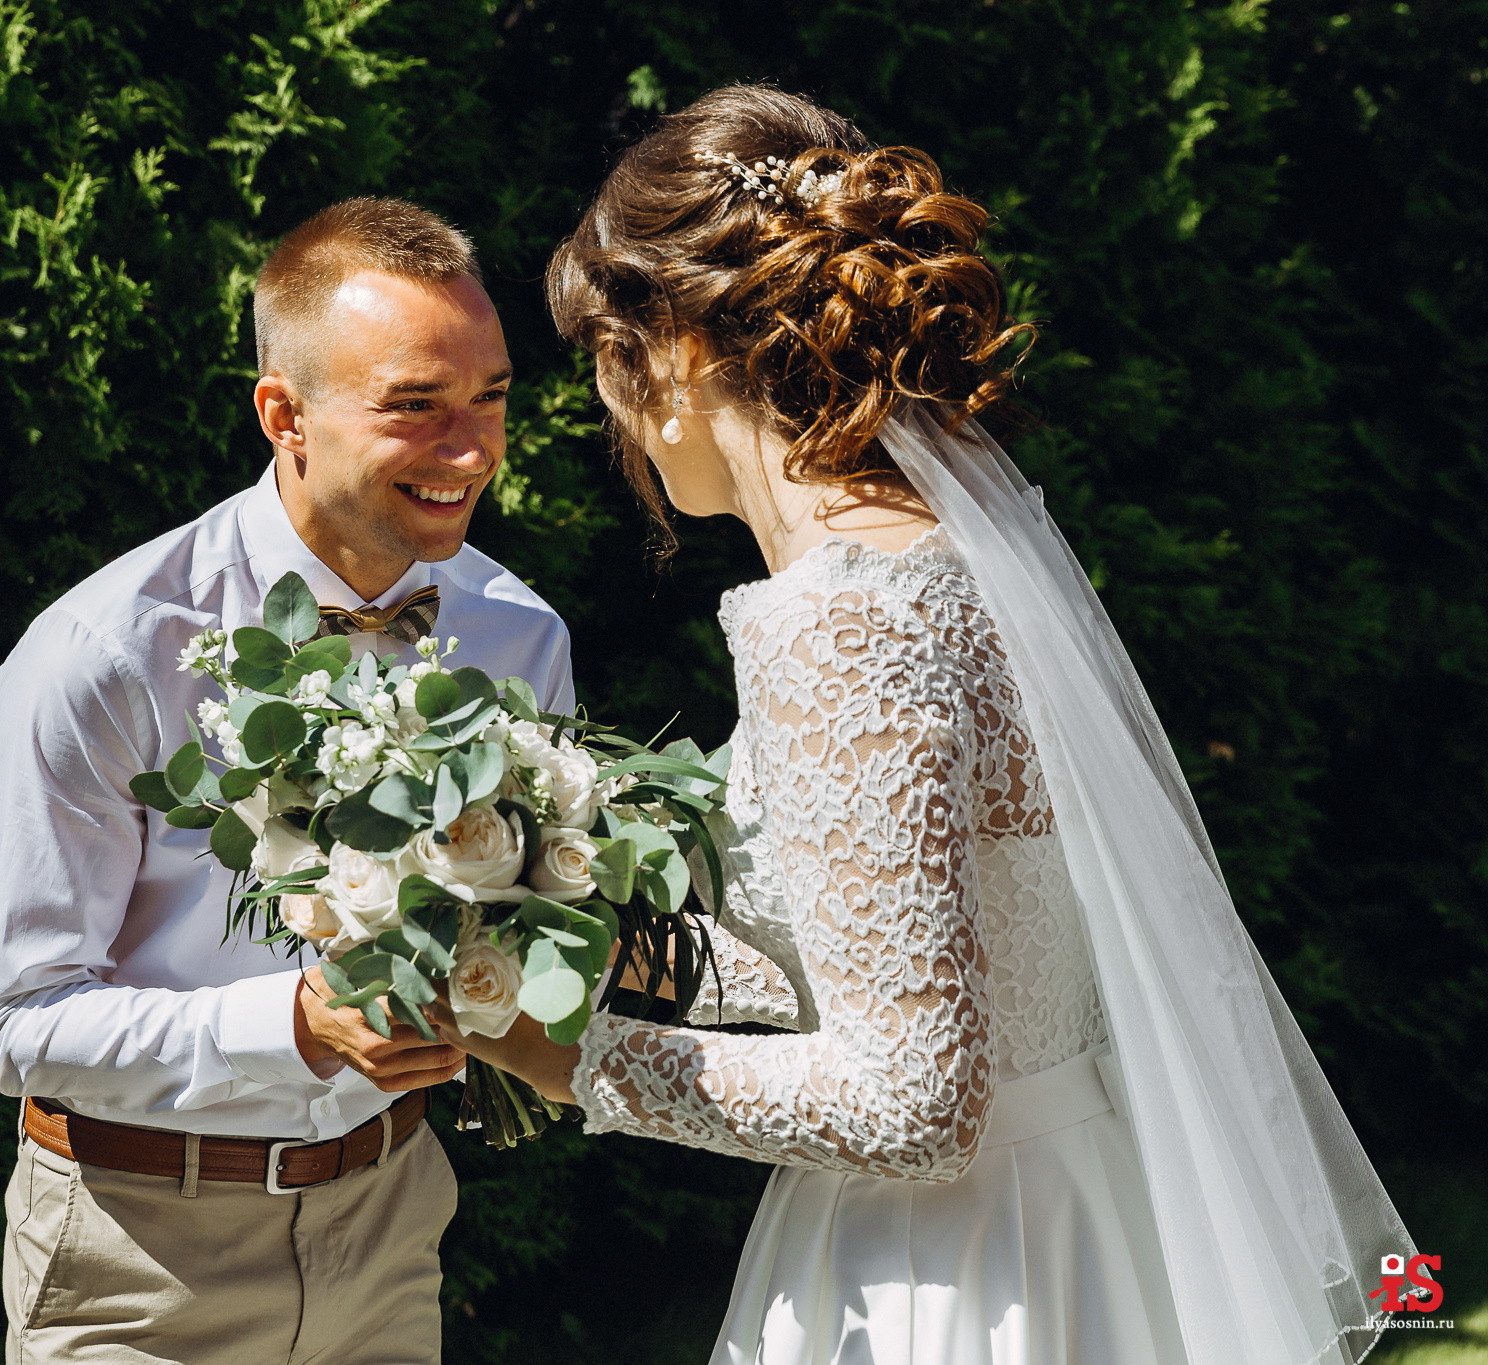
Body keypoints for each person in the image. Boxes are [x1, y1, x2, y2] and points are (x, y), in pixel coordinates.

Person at [437, 86, 1414, 1365]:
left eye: (603, 367)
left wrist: (555, 1052)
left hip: (948, 1276)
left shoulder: (840, 625)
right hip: (1075, 1210)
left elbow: (911, 1102)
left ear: (668, 355)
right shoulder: (956, 570)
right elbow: (909, 958)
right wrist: (561, 925)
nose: (611, 419)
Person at [0, 197, 574, 1365]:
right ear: (283, 414)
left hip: (390, 1222)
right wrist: (293, 1026)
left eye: (488, 397)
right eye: (415, 406)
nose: (471, 449)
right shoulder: (107, 653)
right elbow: (17, 1025)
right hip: (138, 1254)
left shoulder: (517, 636)